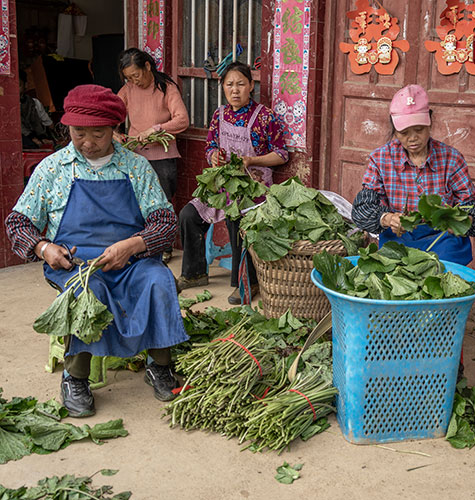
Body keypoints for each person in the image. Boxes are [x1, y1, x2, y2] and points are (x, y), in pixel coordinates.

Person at [5, 84, 188, 417]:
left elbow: (165, 222)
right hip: (76, 265)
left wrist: (134, 244)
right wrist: (44, 248)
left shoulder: (135, 167)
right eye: (78, 133)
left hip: (131, 260)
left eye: (98, 135)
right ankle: (75, 377)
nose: (87, 142)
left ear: (115, 130)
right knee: (89, 292)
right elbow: (17, 224)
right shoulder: (53, 169)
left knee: (159, 281)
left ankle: (159, 364)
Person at [176, 62, 288, 304]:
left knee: (236, 220)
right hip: (223, 184)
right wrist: (213, 155)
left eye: (240, 84)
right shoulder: (220, 114)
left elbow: (281, 154)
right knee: (188, 215)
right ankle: (194, 273)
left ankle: (246, 282)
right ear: (223, 88)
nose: (235, 90)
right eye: (229, 85)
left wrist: (252, 160)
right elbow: (210, 146)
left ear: (251, 86)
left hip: (254, 188)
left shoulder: (265, 117)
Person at [351, 84, 475, 265]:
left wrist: (462, 219)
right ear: (394, 130)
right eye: (404, 133)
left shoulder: (451, 158)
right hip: (399, 239)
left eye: (419, 130)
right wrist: (388, 219)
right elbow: (364, 209)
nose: (413, 138)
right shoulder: (380, 159)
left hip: (442, 239)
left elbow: (471, 206)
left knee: (443, 277)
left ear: (429, 122)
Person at [117, 48, 189, 264]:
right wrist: (114, 134)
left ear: (147, 66)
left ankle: (163, 246)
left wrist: (156, 129)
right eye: (128, 77)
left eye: (136, 75)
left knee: (161, 202)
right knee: (133, 201)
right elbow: (110, 114)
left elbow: (182, 120)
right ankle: (136, 245)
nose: (133, 81)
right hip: (134, 156)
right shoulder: (127, 90)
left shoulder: (166, 88)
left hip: (162, 157)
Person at [19, 69, 54, 150]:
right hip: (22, 136)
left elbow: (37, 122)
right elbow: (20, 126)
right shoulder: (8, 106)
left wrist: (42, 137)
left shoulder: (33, 102)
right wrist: (33, 138)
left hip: (34, 134)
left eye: (19, 85)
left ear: (25, 85)